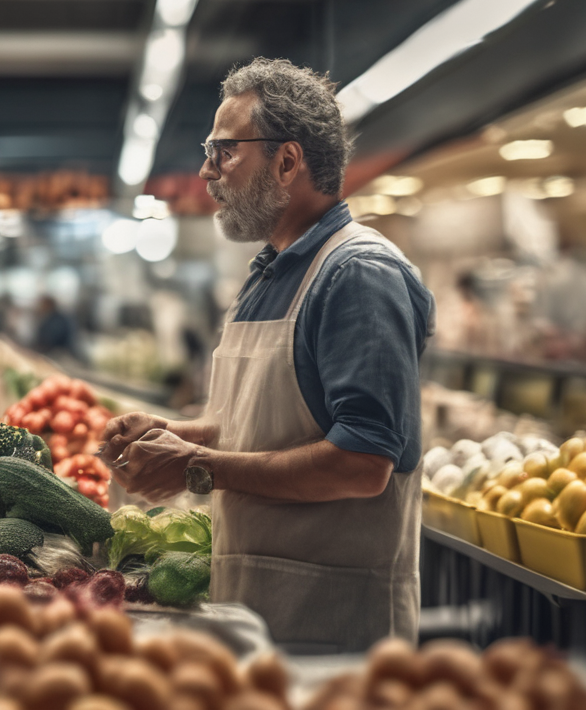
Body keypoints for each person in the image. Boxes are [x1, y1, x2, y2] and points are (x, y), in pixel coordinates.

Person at [99, 58, 434, 652]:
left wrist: (198, 466)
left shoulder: (358, 274)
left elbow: (362, 464)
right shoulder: (269, 274)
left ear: (286, 162)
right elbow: (259, 426)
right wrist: (171, 435)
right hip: (258, 612)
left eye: (224, 151)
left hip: (333, 631)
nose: (206, 171)